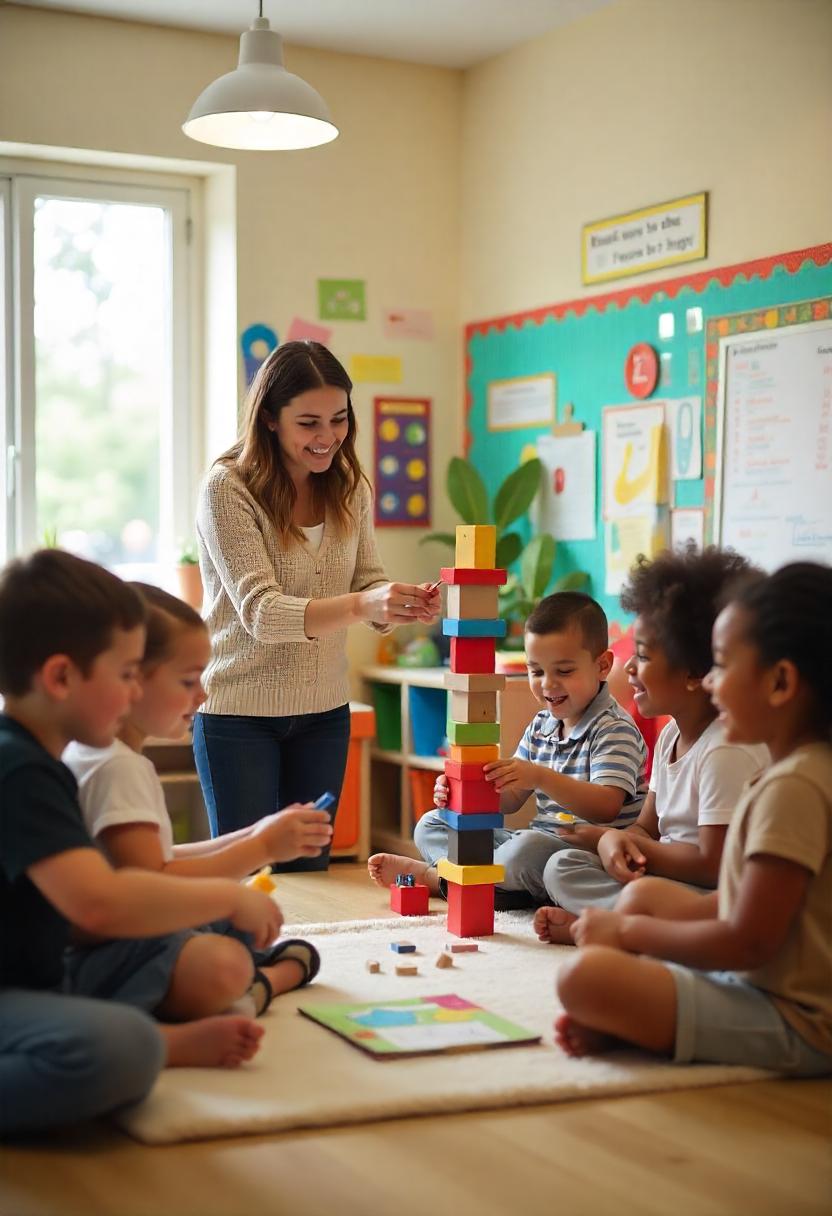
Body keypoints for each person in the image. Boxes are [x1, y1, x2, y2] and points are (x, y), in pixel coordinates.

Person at [0, 551, 283, 1136]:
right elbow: (101, 902)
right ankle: (162, 1041)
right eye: (127, 674)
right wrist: (228, 898)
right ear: (60, 678)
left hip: (37, 980)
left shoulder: (38, 761)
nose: (135, 694)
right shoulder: (20, 770)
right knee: (122, 1050)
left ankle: (156, 1035)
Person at [554, 562, 832, 1078]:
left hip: (799, 1019)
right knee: (640, 899)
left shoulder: (795, 787)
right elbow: (741, 906)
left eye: (722, 666)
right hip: (763, 979)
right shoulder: (798, 770)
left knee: (584, 980)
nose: (709, 681)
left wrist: (631, 934)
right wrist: (632, 922)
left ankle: (632, 1021)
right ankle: (633, 1019)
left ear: (780, 682)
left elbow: (748, 941)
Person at [193, 340, 440, 869]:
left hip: (324, 711)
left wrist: (400, 604)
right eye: (308, 423)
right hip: (239, 715)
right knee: (245, 877)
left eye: (339, 419)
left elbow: (367, 579)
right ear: (269, 420)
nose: (328, 437)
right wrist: (363, 603)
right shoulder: (227, 489)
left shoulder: (350, 488)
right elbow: (261, 612)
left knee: (309, 876)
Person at [64, 584, 331, 1021]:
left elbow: (158, 860)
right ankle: (266, 983)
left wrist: (255, 833)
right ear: (131, 679)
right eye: (188, 680)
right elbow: (151, 879)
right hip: (111, 946)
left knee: (237, 921)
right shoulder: (117, 768)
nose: (202, 695)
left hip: (118, 933)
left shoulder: (100, 755)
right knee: (224, 957)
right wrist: (260, 850)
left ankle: (263, 977)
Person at [535, 547, 769, 944]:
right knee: (564, 866)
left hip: (710, 892)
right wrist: (611, 841)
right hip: (665, 877)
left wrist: (613, 839)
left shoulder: (725, 749)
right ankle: (624, 926)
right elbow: (647, 826)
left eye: (642, 655)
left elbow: (713, 864)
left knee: (646, 893)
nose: (629, 668)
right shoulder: (670, 736)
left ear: (694, 672)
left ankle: (615, 929)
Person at [369, 591, 647, 906]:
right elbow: (510, 799)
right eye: (537, 671)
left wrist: (541, 777)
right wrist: (461, 794)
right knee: (431, 824)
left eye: (564, 671)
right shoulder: (542, 723)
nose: (547, 684)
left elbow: (606, 806)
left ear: (602, 666)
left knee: (525, 850)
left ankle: (442, 879)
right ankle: (478, 879)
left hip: (585, 855)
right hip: (530, 843)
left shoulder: (613, 728)